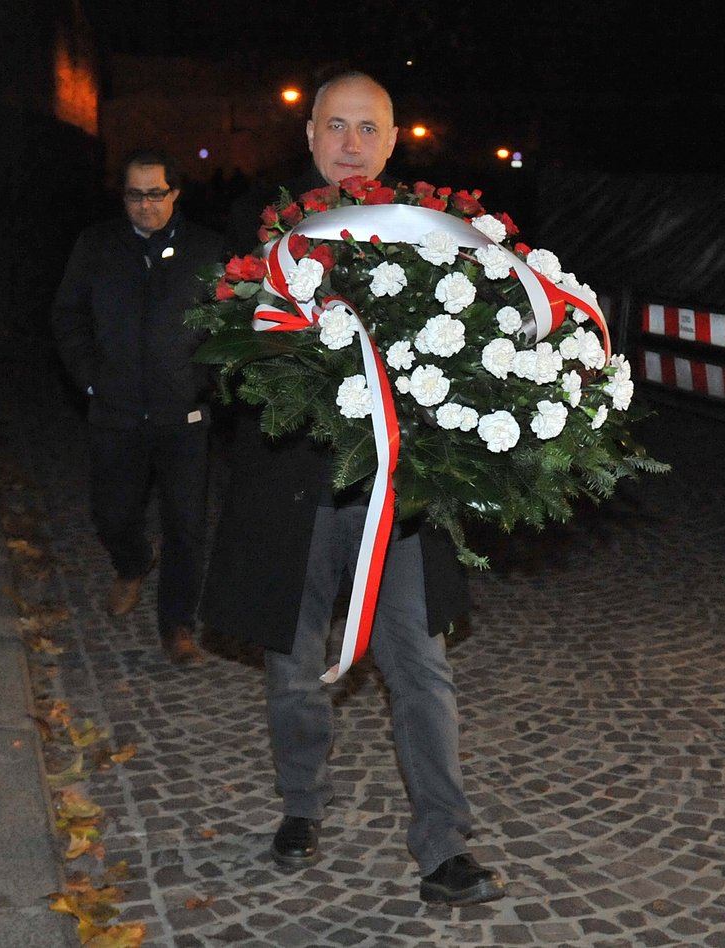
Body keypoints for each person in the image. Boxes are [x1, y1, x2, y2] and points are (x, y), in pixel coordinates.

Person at [201, 72, 506, 905]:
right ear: (309, 139)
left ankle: (444, 846)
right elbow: (236, 356)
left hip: (399, 500)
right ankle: (302, 803)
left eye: (367, 128)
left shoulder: (430, 237)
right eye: (334, 126)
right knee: (294, 665)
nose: (350, 144)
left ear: (394, 137)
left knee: (420, 666)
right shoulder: (265, 233)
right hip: (294, 492)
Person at [52, 147, 223, 664]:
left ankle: (177, 627)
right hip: (115, 412)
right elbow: (68, 316)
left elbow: (234, 325)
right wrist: (90, 382)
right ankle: (132, 562)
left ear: (175, 193)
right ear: (122, 195)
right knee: (113, 515)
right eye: (134, 195)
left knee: (187, 526)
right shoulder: (96, 246)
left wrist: (204, 382)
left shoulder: (208, 249)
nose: (145, 205)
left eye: (155, 194)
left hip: (183, 416)